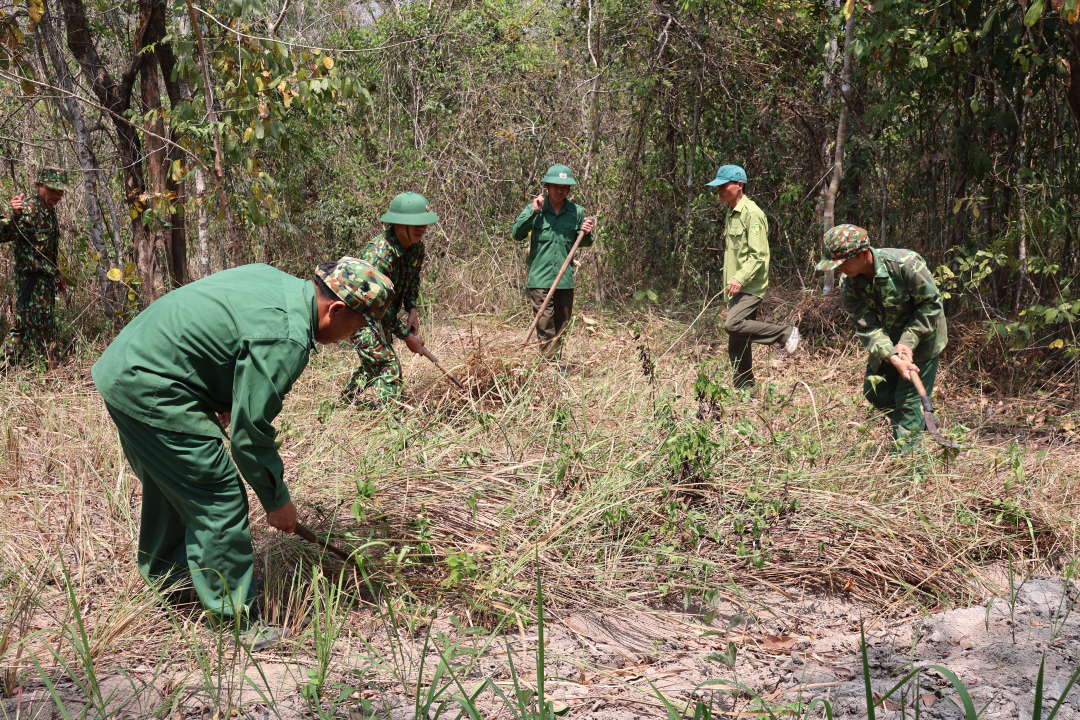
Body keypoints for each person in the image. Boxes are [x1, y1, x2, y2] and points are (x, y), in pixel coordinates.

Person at [92, 258, 394, 648]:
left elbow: (223, 340)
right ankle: (236, 621)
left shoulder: (277, 279)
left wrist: (223, 395)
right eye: (358, 325)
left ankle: (174, 583)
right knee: (217, 495)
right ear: (335, 310)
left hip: (126, 365)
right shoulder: (287, 338)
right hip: (152, 385)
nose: (354, 337)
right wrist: (277, 500)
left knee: (178, 485)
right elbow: (249, 437)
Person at [817, 224, 948, 453]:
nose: (840, 270)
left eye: (843, 264)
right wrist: (892, 356)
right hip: (889, 340)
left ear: (864, 253)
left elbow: (931, 305)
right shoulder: (848, 283)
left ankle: (906, 463)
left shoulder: (905, 264)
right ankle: (917, 419)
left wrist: (908, 342)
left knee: (907, 400)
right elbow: (866, 326)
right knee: (874, 391)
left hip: (925, 338)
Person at [342, 192, 437, 406]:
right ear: (398, 224)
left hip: (381, 315)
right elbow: (378, 306)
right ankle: (388, 422)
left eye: (424, 224)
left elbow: (413, 279)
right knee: (388, 365)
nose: (422, 229)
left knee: (372, 365)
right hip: (360, 318)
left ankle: (343, 405)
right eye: (415, 224)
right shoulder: (379, 255)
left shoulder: (416, 247)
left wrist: (412, 309)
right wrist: (406, 337)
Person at [708, 164, 799, 388]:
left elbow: (758, 255)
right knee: (737, 342)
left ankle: (785, 333)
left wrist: (740, 278)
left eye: (723, 185)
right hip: (736, 287)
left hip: (749, 285)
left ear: (739, 185)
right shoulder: (732, 212)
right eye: (717, 186)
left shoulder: (752, 214)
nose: (718, 190)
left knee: (734, 325)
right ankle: (744, 389)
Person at [511, 164, 596, 357]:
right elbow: (517, 234)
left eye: (565, 187)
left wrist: (587, 232)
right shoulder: (536, 209)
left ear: (569, 190)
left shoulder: (576, 212)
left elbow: (584, 242)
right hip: (540, 279)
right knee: (544, 324)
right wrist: (533, 211)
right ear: (547, 187)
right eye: (556, 186)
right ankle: (550, 368)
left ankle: (553, 364)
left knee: (561, 325)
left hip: (564, 280)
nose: (560, 190)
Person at [0, 168, 70, 365]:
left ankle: (4, 367)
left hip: (44, 279)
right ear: (38, 185)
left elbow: (46, 251)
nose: (57, 195)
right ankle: (46, 372)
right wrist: (14, 215)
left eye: (61, 191)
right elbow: (3, 234)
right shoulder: (28, 209)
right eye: (52, 190)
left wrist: (57, 274)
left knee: (22, 327)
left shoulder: (48, 210)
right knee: (43, 327)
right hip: (31, 281)